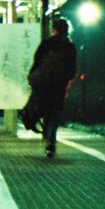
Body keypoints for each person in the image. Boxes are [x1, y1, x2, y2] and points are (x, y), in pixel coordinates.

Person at [27, 18, 78, 157]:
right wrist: (64, 79)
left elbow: (36, 61)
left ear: (53, 29)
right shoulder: (70, 46)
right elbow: (73, 69)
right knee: (54, 113)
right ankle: (50, 142)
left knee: (40, 108)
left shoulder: (46, 44)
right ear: (66, 30)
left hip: (42, 83)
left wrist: (32, 76)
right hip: (58, 85)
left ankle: (36, 127)